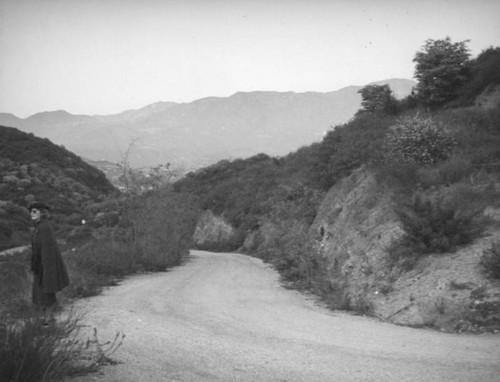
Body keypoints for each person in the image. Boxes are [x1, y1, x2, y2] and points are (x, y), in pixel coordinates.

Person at [28, 201, 70, 324]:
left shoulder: (44, 227)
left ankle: (48, 318)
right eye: (31, 211)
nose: (31, 213)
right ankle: (46, 317)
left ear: (42, 213)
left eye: (34, 211)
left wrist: (46, 268)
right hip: (39, 264)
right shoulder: (39, 226)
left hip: (45, 265)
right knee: (40, 291)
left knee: (47, 291)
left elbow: (47, 249)